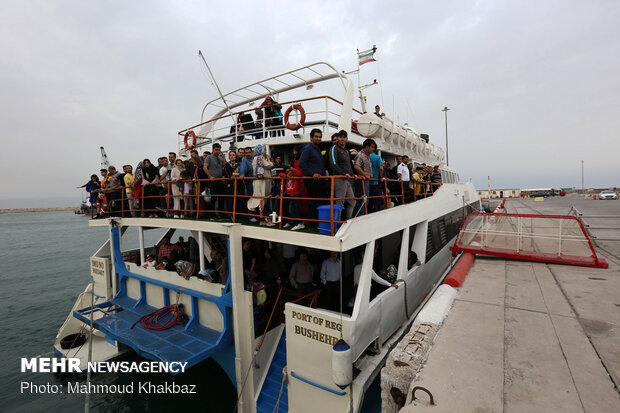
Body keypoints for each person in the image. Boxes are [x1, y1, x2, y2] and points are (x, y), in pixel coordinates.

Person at [299, 128, 325, 229]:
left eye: (320, 137)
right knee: (314, 202)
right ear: (311, 137)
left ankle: (318, 223)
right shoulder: (308, 148)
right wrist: (312, 174)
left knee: (319, 201)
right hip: (311, 180)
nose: (318, 138)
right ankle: (313, 225)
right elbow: (301, 163)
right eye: (316, 137)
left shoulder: (317, 149)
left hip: (319, 180)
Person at [329, 130, 356, 220]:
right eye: (340, 137)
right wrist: (343, 174)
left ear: (346, 139)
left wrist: (353, 175)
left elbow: (349, 165)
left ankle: (348, 220)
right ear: (338, 138)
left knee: (352, 202)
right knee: (340, 203)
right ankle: (336, 226)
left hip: (348, 179)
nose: (342, 139)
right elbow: (333, 164)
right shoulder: (334, 148)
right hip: (339, 179)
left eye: (344, 137)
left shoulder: (346, 151)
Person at [247, 144, 274, 226]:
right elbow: (269, 165)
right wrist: (269, 159)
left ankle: (264, 219)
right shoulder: (259, 158)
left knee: (263, 200)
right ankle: (263, 219)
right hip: (262, 183)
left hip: (262, 182)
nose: (265, 151)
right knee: (263, 200)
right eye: (264, 149)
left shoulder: (257, 158)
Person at [353, 139, 376, 216]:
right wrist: (364, 175)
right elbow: (356, 166)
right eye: (372, 147)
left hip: (366, 181)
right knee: (362, 201)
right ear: (367, 146)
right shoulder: (361, 155)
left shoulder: (367, 156)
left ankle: (363, 216)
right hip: (361, 182)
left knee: (365, 200)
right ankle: (360, 218)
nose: (373, 149)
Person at [204, 143, 226, 217]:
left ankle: (221, 214)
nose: (217, 151)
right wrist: (210, 176)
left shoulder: (220, 158)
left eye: (219, 150)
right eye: (216, 150)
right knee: (213, 198)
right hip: (213, 180)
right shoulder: (209, 157)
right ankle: (212, 215)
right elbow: (205, 167)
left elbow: (225, 165)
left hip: (220, 180)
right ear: (213, 149)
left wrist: (224, 157)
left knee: (221, 197)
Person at [369, 147, 384, 213]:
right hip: (376, 181)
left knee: (369, 200)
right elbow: (381, 168)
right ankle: (376, 212)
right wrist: (380, 177)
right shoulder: (377, 157)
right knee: (377, 199)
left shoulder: (367, 156)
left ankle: (368, 212)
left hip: (367, 182)